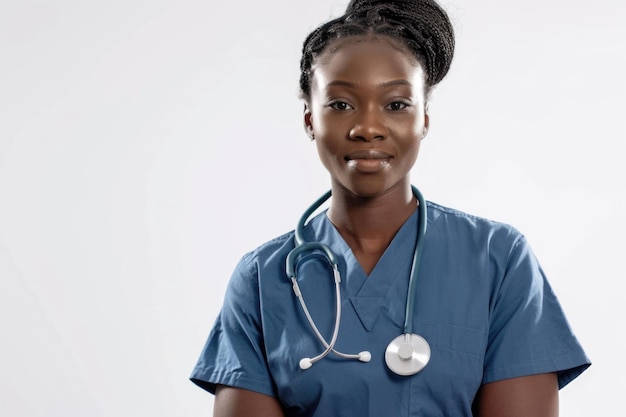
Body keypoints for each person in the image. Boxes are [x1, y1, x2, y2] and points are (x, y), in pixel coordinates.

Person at [190, 0, 591, 415]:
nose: (368, 128)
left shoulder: (498, 259)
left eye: (396, 104)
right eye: (341, 104)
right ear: (310, 119)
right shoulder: (261, 279)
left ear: (424, 119)